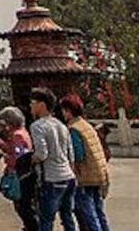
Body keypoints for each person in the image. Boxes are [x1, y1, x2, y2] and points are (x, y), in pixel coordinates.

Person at [28, 87, 77, 231]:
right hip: (69, 176)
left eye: (32, 103)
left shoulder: (37, 126)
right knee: (67, 217)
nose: (31, 106)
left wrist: (30, 159)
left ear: (41, 105)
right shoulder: (61, 125)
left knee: (46, 220)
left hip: (52, 178)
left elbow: (42, 154)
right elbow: (71, 153)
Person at [60, 94, 111, 231]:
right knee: (99, 212)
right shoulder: (86, 125)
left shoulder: (73, 129)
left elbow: (78, 155)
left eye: (63, 110)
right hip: (98, 174)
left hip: (85, 177)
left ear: (68, 111)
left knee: (89, 214)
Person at [0, 106, 38, 231]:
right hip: (24, 173)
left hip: (18, 174)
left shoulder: (17, 136)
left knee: (22, 206)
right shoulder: (22, 132)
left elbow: (18, 157)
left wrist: (5, 157)